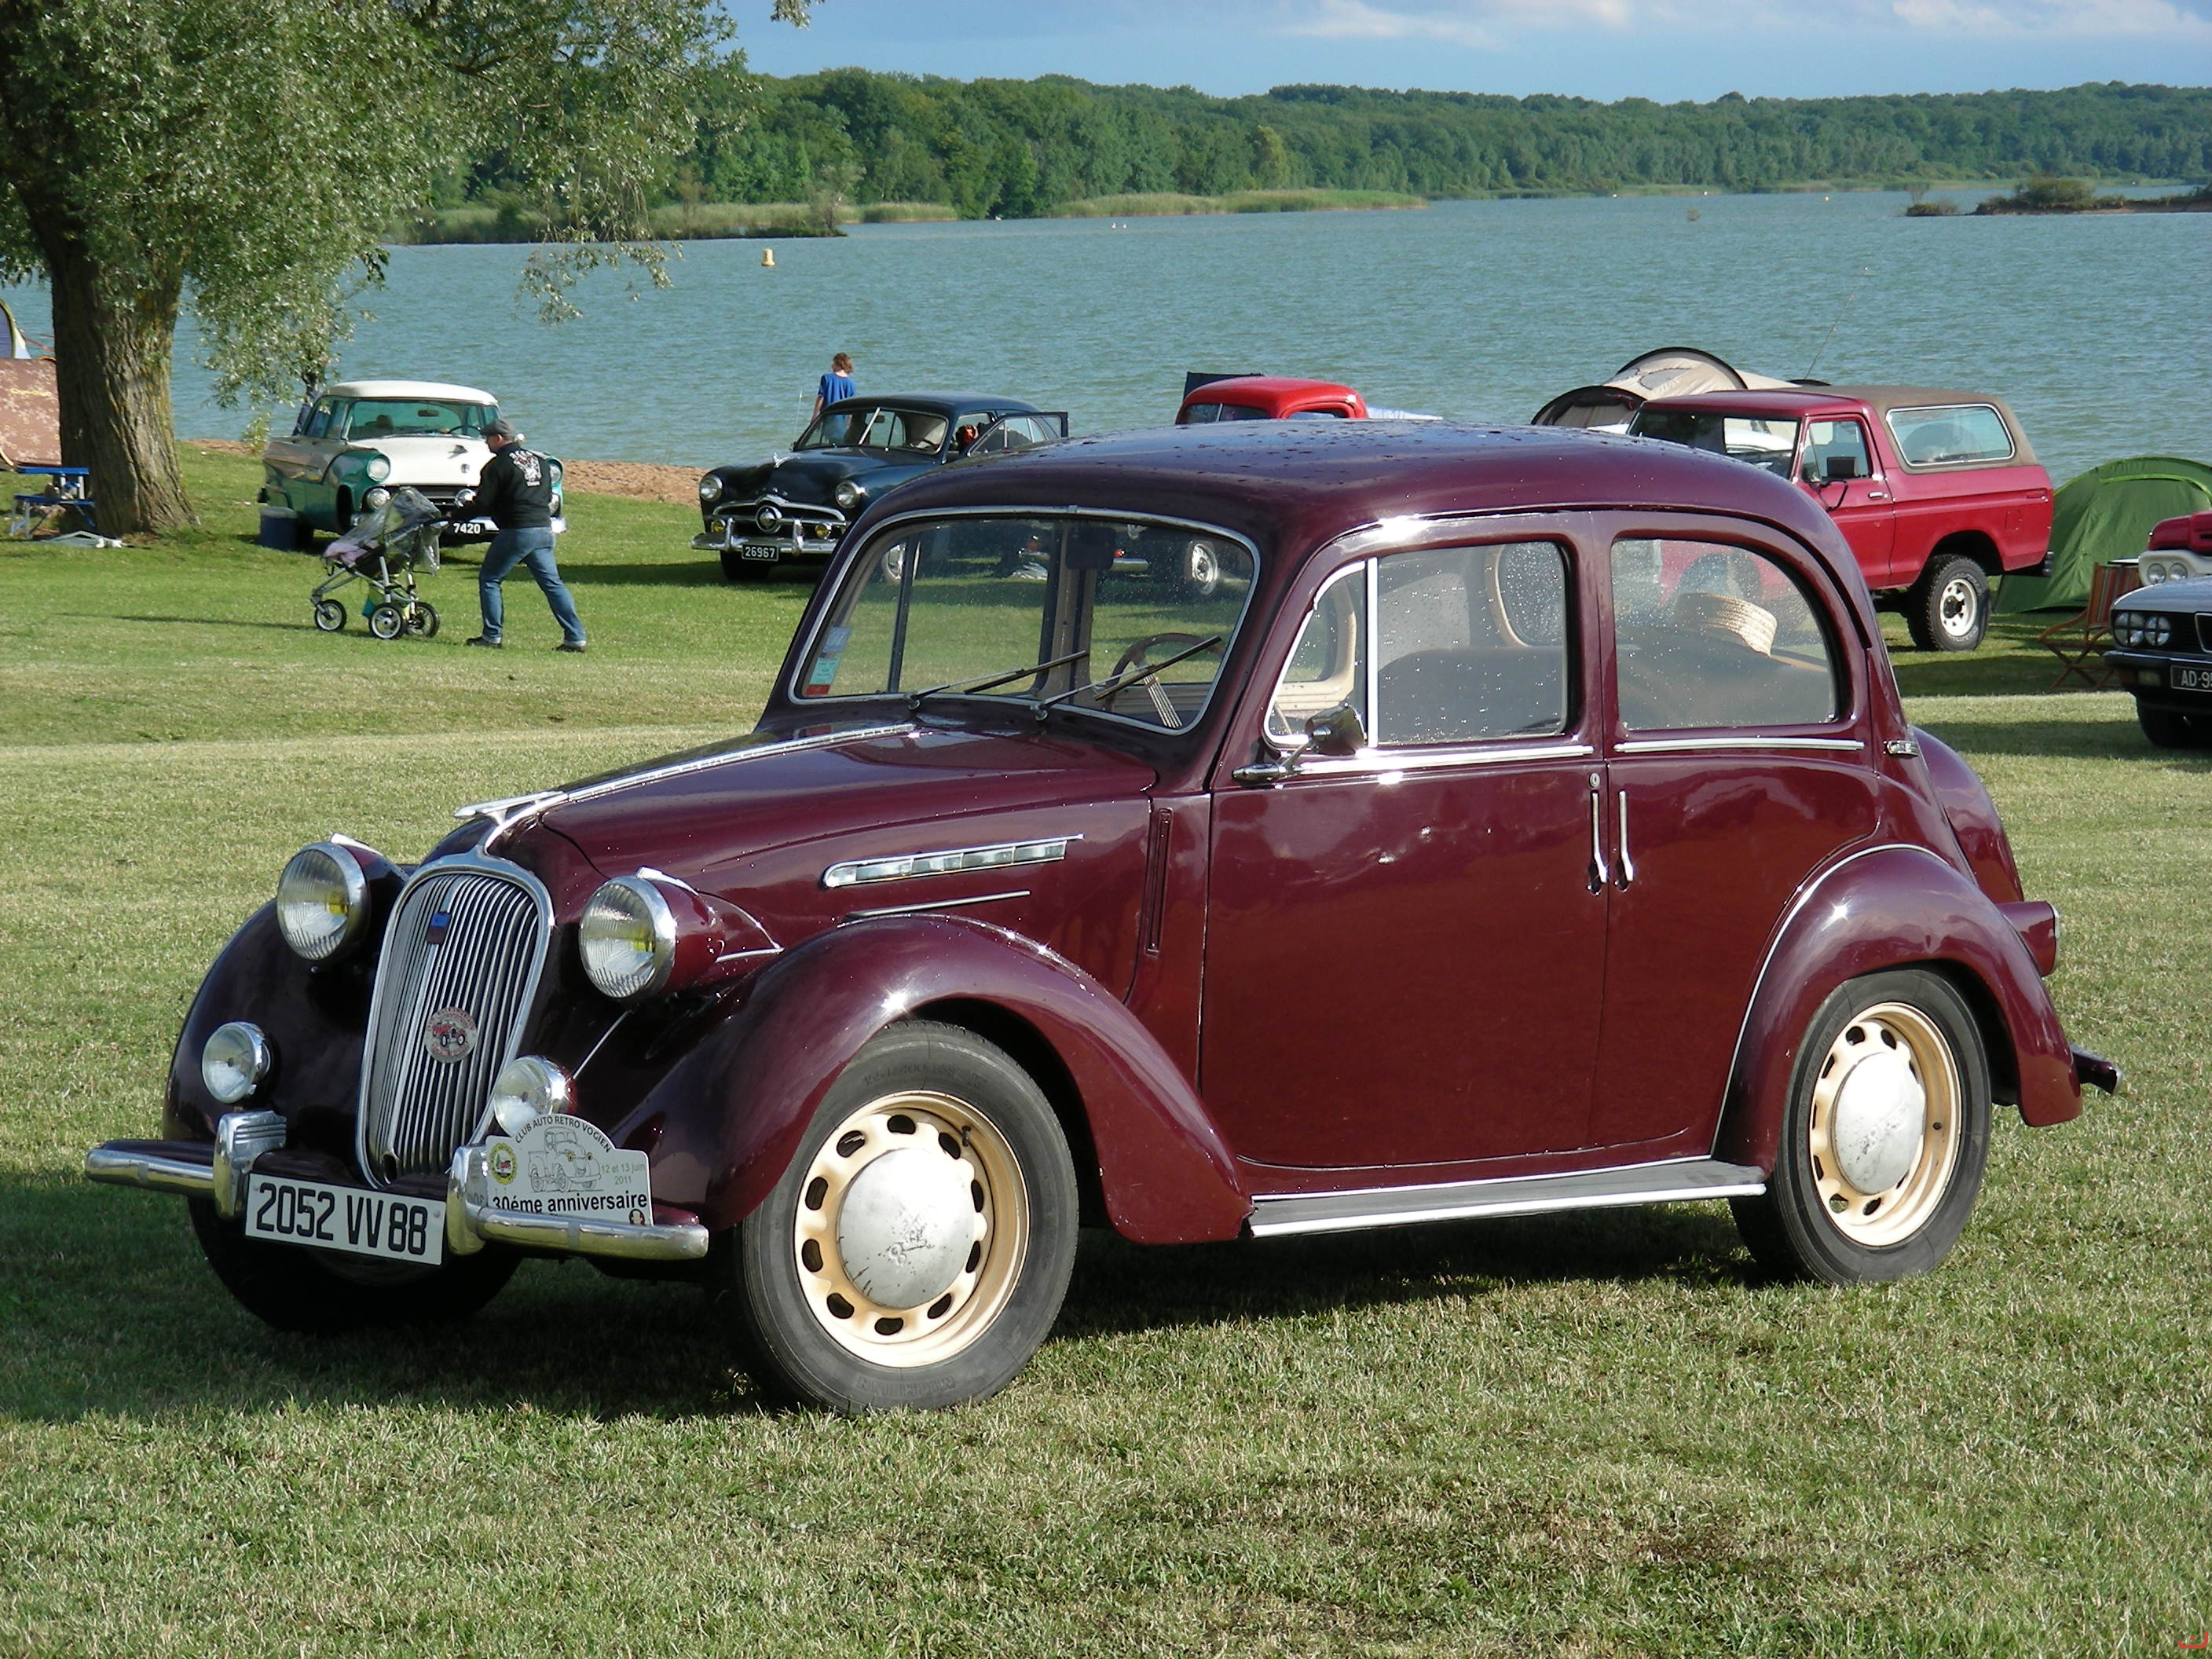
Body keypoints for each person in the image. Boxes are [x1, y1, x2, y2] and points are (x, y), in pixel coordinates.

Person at [465, 419, 587, 653]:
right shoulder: (539, 461)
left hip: (518, 531)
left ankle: (492, 636)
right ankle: (576, 637)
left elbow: (482, 503)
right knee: (552, 584)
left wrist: (456, 516)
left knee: (490, 579)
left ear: (499, 438)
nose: (486, 442)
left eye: (488, 437)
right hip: (544, 530)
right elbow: (546, 497)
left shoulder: (497, 466)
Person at [813, 351, 855, 419]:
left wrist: (814, 416)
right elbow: (851, 407)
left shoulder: (826, 378)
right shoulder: (851, 384)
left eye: (834, 364)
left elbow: (821, 398)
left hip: (827, 417)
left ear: (840, 364)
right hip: (842, 420)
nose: (832, 366)